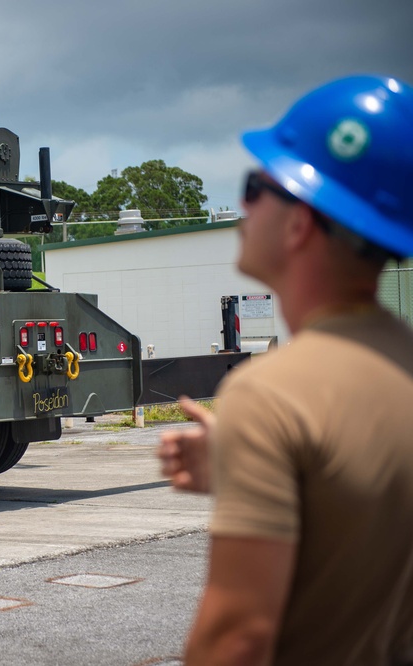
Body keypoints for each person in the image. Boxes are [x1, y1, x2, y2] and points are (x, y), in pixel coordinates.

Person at [158, 74, 413, 665]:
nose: (242, 206)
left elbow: (237, 639)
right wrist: (257, 466)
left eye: (256, 187)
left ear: (300, 223)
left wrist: (264, 434)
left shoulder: (272, 397)